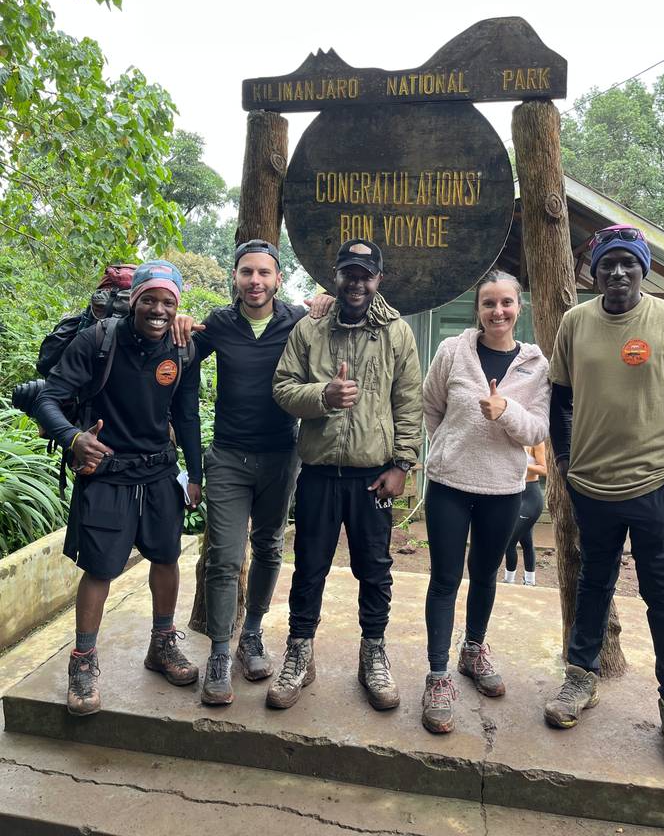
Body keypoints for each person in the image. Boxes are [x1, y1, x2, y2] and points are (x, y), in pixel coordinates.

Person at [544, 225, 664, 773]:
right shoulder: (576, 323)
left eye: (627, 263)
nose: (616, 273)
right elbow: (560, 404)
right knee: (593, 582)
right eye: (606, 264)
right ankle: (580, 680)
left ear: (643, 269)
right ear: (592, 273)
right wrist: (569, 467)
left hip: (656, 491)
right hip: (592, 490)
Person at [34, 260, 202, 716]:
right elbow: (48, 396)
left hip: (159, 472)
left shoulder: (183, 348)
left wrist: (196, 475)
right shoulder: (99, 340)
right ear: (134, 300)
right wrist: (73, 438)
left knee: (166, 559)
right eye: (149, 298)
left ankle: (162, 644)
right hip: (106, 472)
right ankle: (83, 663)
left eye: (168, 302)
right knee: (101, 569)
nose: (158, 309)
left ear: (177, 306)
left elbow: (186, 414)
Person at [173, 239, 332, 706]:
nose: (255, 281)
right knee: (223, 556)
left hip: (282, 456)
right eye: (247, 272)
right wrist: (179, 326)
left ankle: (253, 633)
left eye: (264, 273)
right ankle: (220, 652)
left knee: (267, 547)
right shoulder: (219, 323)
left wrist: (328, 301)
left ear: (278, 279)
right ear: (236, 277)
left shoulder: (297, 322)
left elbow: (340, 334)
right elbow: (173, 362)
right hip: (227, 457)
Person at [266, 238, 422, 711]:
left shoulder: (396, 333)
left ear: (379, 279)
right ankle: (299, 652)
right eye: (349, 274)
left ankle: (373, 653)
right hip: (318, 472)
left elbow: (409, 403)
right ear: (335, 275)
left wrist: (401, 465)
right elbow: (282, 388)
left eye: (365, 275)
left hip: (374, 476)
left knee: (375, 569)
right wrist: (322, 397)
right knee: (309, 566)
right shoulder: (310, 329)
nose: (357, 283)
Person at [420, 270, 550, 734]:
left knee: (485, 575)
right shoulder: (452, 351)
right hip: (450, 485)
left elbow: (538, 430)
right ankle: (438, 676)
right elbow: (431, 406)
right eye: (489, 303)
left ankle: (473, 650)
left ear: (520, 308)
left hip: (503, 489)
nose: (498, 311)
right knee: (444, 579)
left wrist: (506, 413)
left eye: (506, 303)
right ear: (478, 309)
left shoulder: (535, 365)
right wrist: (453, 446)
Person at [503, 442, 547, 586]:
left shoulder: (536, 442)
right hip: (514, 493)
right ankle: (529, 581)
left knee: (509, 541)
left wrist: (522, 464)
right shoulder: (512, 438)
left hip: (531, 496)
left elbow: (544, 469)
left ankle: (509, 581)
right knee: (526, 542)